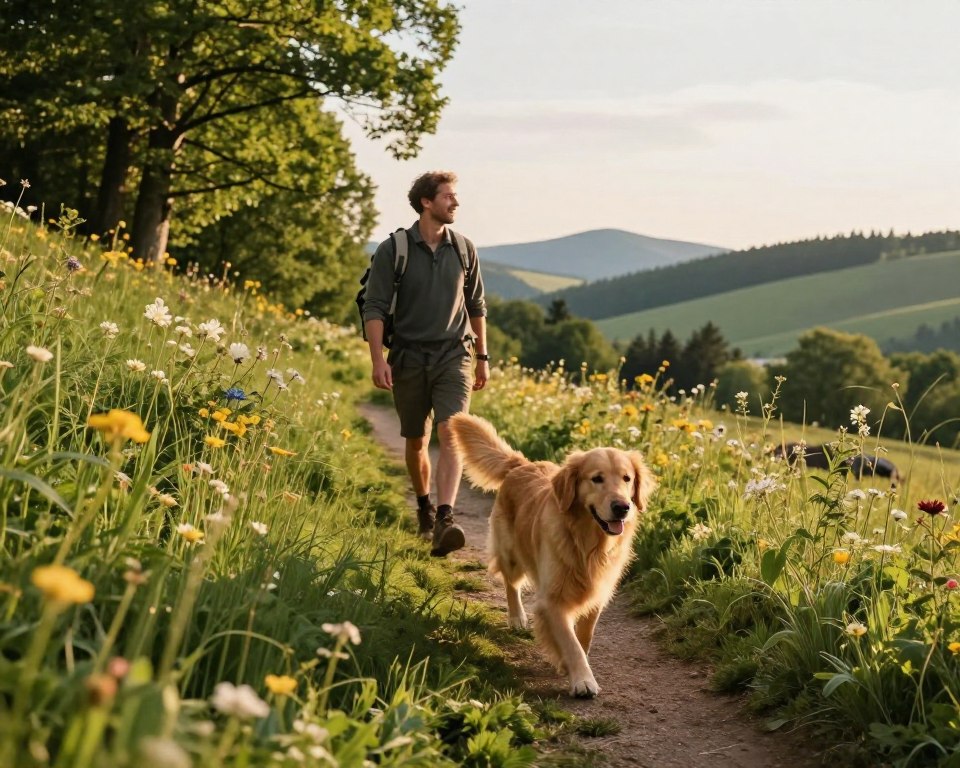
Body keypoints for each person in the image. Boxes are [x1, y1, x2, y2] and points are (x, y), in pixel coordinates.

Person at [362, 171, 489, 556]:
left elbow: (477, 306)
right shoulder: (394, 249)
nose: (455, 203)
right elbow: (375, 306)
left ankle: (446, 518)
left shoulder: (464, 249)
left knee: (452, 432)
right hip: (408, 358)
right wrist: (377, 359)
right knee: (416, 439)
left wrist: (482, 357)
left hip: (455, 356)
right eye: (448, 196)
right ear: (427, 203)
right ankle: (424, 507)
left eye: (455, 196)